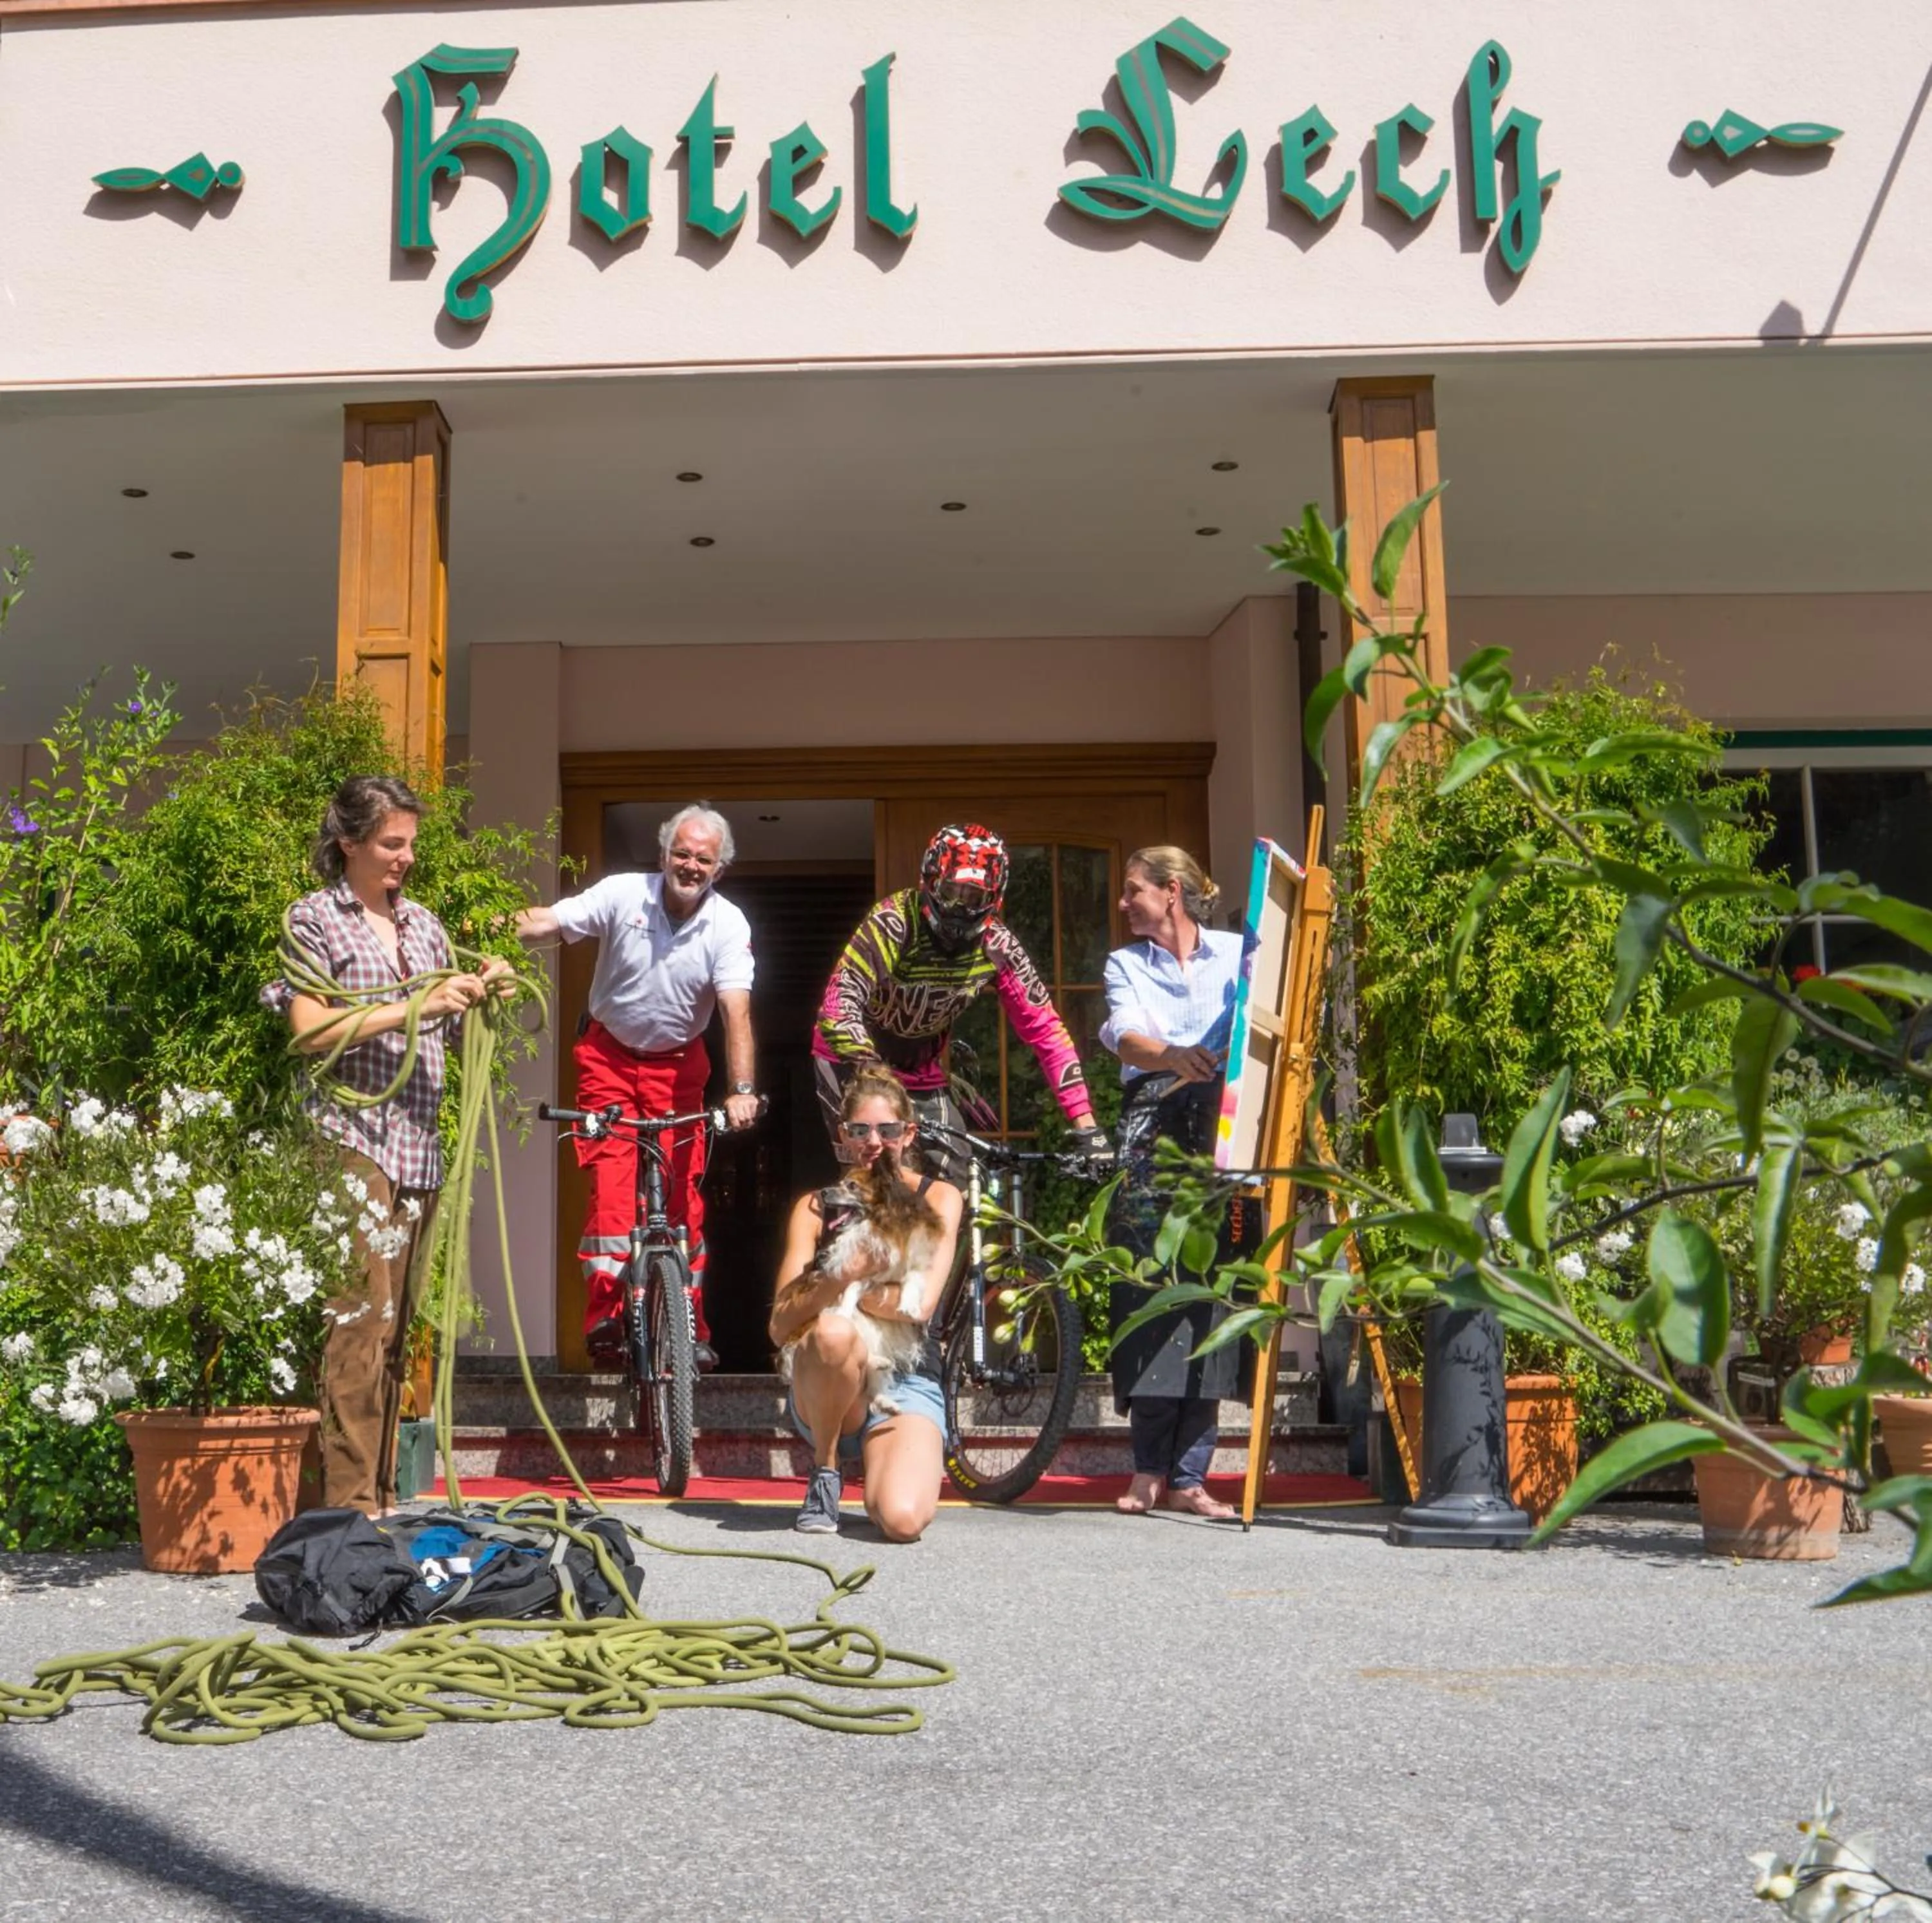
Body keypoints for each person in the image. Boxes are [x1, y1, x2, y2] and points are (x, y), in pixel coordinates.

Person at [267, 775, 504, 1516]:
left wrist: (479, 992)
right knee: (358, 1320)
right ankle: (348, 1508)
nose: (406, 857)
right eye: (391, 843)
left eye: (410, 844)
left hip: (417, 1146)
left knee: (398, 1326)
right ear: (349, 842)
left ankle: (383, 1496)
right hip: (351, 1137)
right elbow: (309, 1029)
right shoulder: (314, 920)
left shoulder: (425, 926)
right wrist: (412, 1006)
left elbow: (447, 1026)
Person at [516, 802, 759, 1372]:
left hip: (680, 1070)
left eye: (703, 859)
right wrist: (483, 928)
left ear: (719, 869)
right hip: (609, 1058)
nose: (691, 866)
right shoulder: (624, 893)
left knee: (683, 1199)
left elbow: (736, 1012)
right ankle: (605, 1319)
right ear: (663, 854)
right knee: (612, 1188)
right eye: (682, 853)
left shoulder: (729, 924)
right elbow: (550, 921)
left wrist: (743, 1088)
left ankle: (690, 1326)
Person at [813, 824, 1109, 1182]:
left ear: (995, 897)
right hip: (850, 1060)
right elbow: (838, 1004)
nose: (959, 907)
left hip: (920, 1066)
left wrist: (1086, 1125)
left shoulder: (998, 946)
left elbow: (1045, 1029)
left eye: (974, 896)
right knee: (874, 1172)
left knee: (955, 1177)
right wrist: (874, 1073)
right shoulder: (894, 922)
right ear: (929, 880)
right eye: (950, 890)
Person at [1099, 845, 1249, 1520]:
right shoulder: (1125, 963)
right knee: (1147, 1286)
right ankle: (1148, 1469)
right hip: (1152, 1122)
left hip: (1222, 1126)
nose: (1124, 902)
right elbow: (1128, 1039)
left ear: (1172, 892)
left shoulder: (1238, 955)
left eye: (1134, 890)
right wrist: (1174, 1056)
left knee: (1214, 1289)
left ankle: (1190, 1477)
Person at [770, 1065, 963, 1540]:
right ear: (843, 1136)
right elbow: (780, 1325)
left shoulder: (939, 1198)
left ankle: (884, 1469)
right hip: (832, 1380)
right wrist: (844, 1274)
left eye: (887, 1130)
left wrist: (853, 1289)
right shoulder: (816, 1207)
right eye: (860, 1130)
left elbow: (918, 1308)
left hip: (907, 1376)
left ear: (909, 1133)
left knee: (902, 1521)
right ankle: (826, 1471)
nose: (874, 1142)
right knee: (833, 1332)